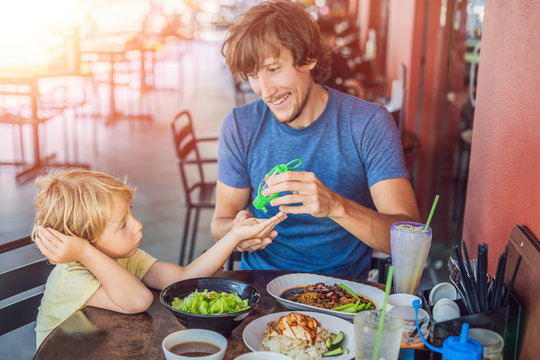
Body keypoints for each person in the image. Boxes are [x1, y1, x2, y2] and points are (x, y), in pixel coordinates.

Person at [211, 0, 420, 279]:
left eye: (274, 69)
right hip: (259, 288)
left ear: (309, 58)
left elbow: (411, 238)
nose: (265, 90)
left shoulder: (367, 123)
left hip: (341, 292)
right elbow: (219, 224)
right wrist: (236, 232)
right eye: (252, 75)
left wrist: (336, 206)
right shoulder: (240, 125)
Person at [32, 169, 285, 348]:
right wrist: (85, 252)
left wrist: (233, 236)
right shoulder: (70, 278)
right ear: (85, 242)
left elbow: (183, 279)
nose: (138, 225)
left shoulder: (123, 258)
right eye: (122, 225)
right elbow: (138, 300)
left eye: (131, 214)